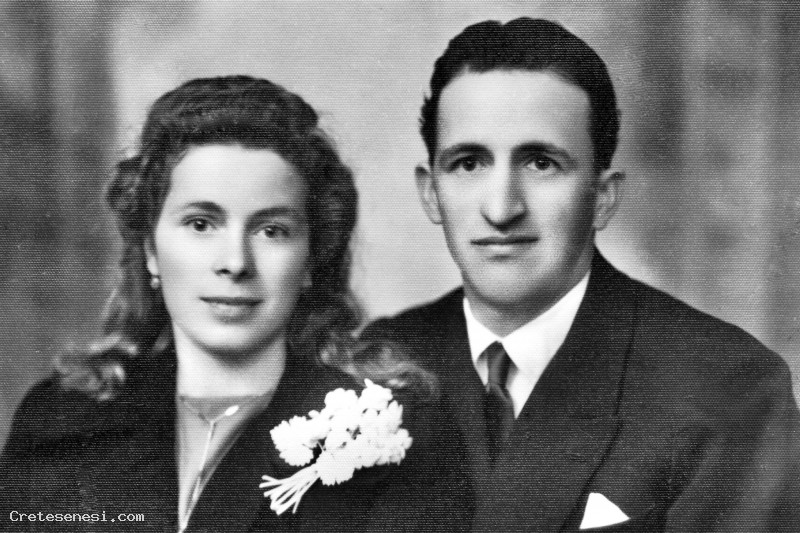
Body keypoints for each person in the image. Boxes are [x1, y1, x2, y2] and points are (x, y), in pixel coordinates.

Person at [365, 18, 800, 532]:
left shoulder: (727, 390)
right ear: (430, 193)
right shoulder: (377, 363)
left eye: (541, 163)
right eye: (468, 163)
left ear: (603, 197)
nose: (501, 209)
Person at [0, 76, 473, 532]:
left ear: (312, 257)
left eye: (272, 231)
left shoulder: (393, 431)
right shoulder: (60, 418)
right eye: (201, 224)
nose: (235, 263)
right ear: (150, 249)